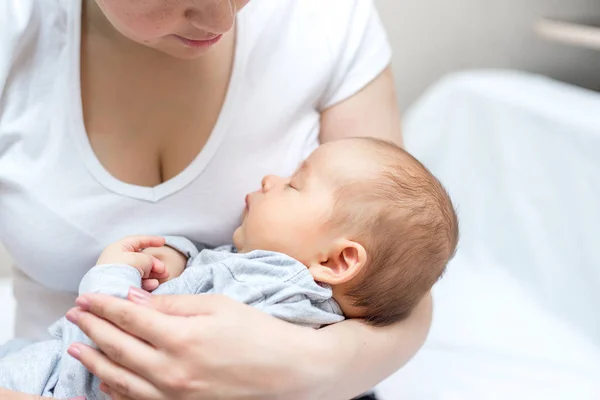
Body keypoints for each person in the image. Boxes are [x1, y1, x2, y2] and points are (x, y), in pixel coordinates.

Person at [0, 0, 433, 399]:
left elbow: (399, 283)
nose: (223, 21)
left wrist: (304, 368)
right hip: (55, 377)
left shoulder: (328, 20)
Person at [0, 138, 457, 400]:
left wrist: (112, 275)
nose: (270, 180)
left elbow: (128, 339)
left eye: (294, 185)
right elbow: (213, 263)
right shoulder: (289, 294)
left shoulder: (262, 285)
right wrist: (178, 258)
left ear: (337, 260)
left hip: (70, 380)